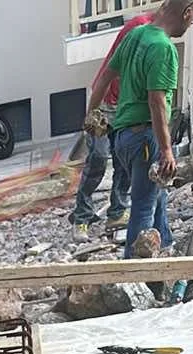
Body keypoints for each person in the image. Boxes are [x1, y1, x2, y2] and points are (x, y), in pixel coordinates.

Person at [88, 0, 193, 258]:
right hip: (145, 140)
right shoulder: (163, 48)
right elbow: (157, 102)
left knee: (156, 193)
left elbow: (105, 77)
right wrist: (167, 150)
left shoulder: (137, 33)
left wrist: (91, 116)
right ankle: (132, 276)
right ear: (185, 13)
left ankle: (165, 253)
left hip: (123, 137)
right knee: (143, 207)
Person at [70, 10, 157, 242]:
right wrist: (93, 112)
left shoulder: (162, 39)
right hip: (107, 101)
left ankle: (117, 212)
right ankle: (82, 217)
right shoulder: (139, 27)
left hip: (126, 106)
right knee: (97, 157)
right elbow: (111, 68)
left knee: (123, 160)